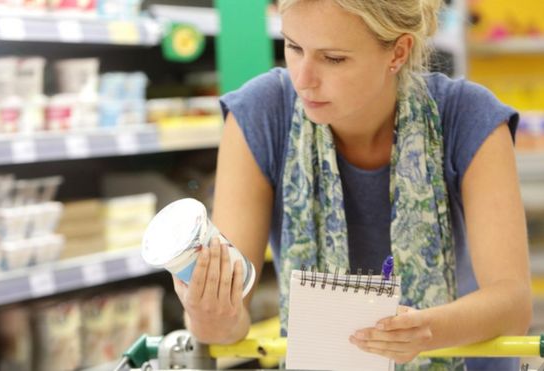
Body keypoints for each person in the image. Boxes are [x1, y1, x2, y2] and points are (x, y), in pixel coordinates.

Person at [171, 0, 533, 369]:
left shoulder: (467, 116)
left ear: (398, 51)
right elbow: (230, 322)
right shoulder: (260, 114)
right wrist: (209, 315)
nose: (303, 78)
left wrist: (426, 330)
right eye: (294, 47)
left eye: (333, 58)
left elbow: (513, 303)